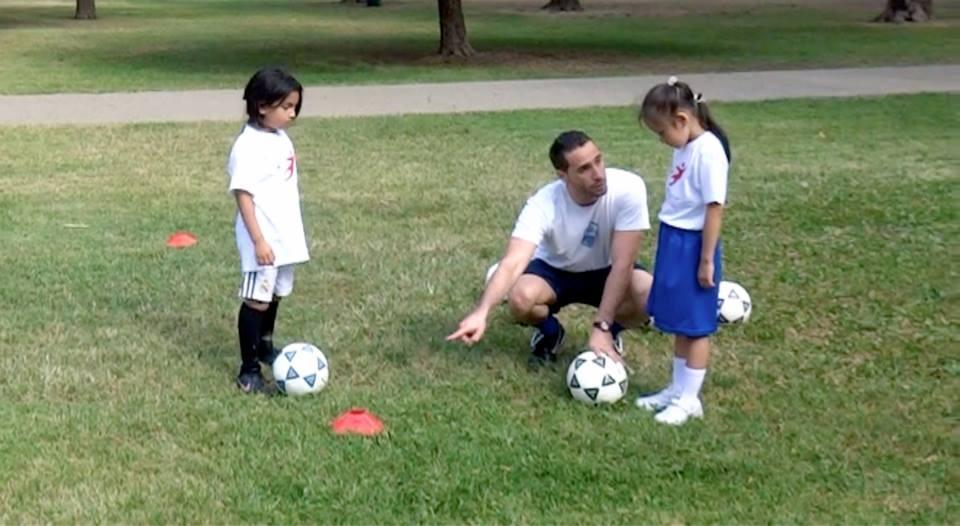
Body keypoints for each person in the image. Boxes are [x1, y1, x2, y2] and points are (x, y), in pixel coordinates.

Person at [446, 130, 652, 367]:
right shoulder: (543, 203)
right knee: (520, 298)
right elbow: (513, 261)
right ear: (563, 175)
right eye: (584, 169)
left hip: (607, 269)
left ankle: (610, 335)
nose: (598, 174)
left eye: (598, 160)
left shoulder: (628, 188)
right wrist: (481, 313)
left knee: (650, 294)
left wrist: (603, 325)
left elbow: (623, 263)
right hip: (556, 272)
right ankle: (551, 333)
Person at [635, 76, 731, 425]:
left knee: (696, 325)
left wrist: (706, 260)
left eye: (662, 132)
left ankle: (690, 399)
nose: (662, 139)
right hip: (673, 237)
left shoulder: (710, 151)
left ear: (682, 119)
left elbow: (714, 208)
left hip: (693, 244)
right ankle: (677, 389)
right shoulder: (685, 146)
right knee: (678, 320)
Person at [227, 68, 309, 394]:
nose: (292, 114)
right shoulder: (248, 146)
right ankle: (248, 371)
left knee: (274, 293)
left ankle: (264, 346)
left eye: (295, 107)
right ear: (262, 106)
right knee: (257, 299)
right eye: (286, 106)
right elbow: (243, 195)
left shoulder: (278, 136)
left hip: (283, 235)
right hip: (261, 238)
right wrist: (258, 240)